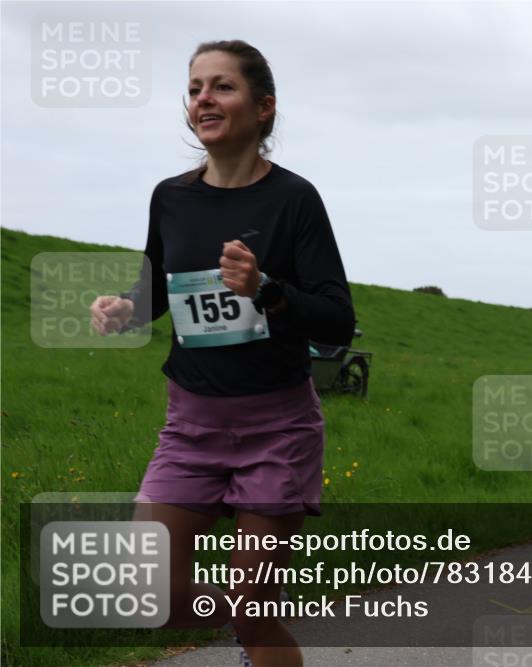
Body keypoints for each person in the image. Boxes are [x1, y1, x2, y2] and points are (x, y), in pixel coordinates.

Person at [89, 40, 354, 667]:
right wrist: (126, 307)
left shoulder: (294, 200)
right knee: (147, 587)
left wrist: (267, 290)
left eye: (222, 87)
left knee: (255, 615)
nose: (203, 99)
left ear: (264, 108)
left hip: (277, 428)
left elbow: (338, 319)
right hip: (191, 425)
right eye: (194, 88)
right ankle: (245, 620)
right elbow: (159, 287)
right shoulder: (171, 197)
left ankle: (251, 624)